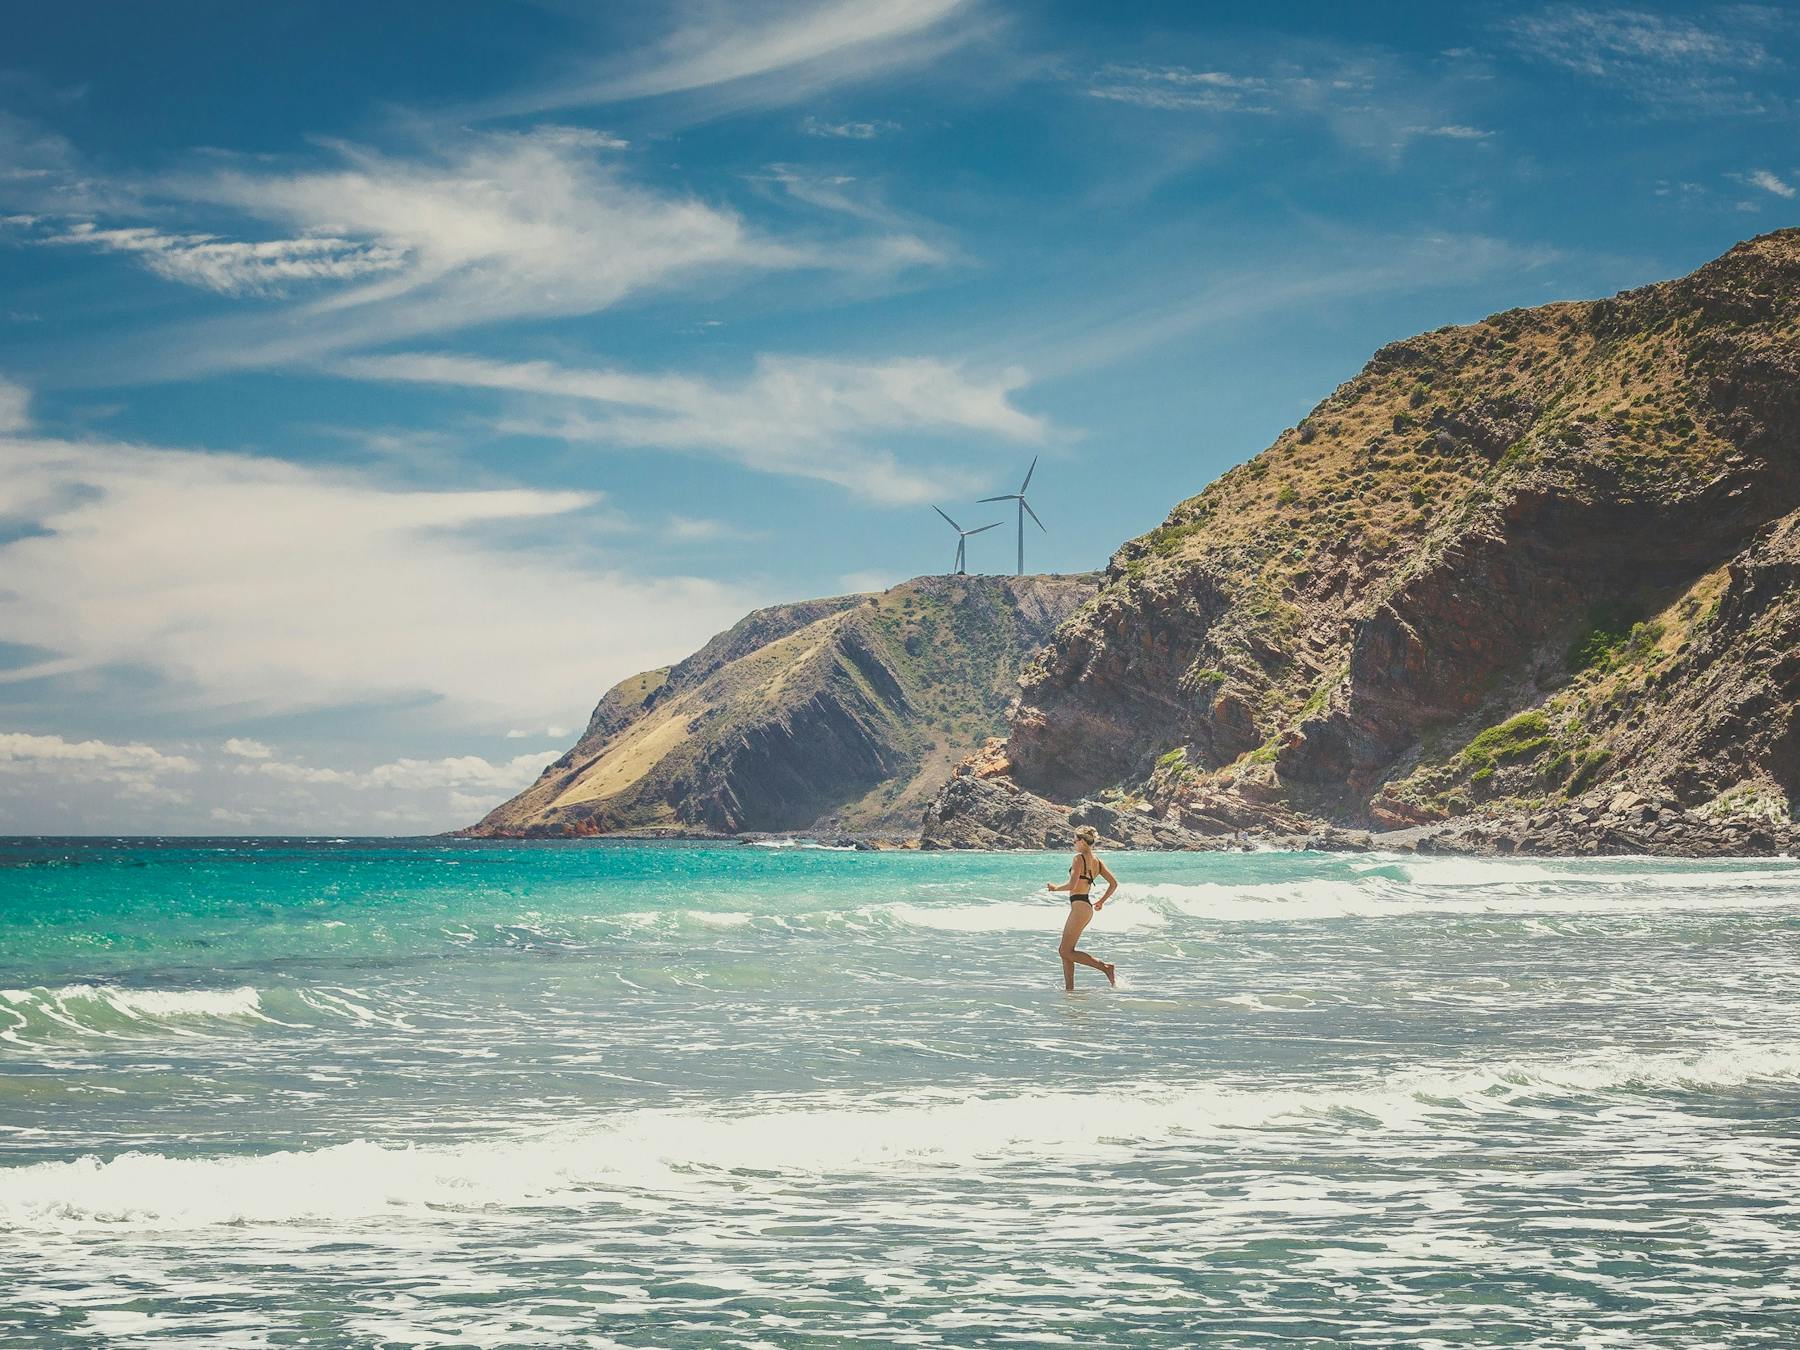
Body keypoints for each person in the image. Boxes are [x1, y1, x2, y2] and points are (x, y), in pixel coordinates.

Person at [1045, 825, 1118, 990]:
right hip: (1085, 907)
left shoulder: (1079, 858)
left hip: (1079, 907)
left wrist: (1055, 888)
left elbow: (1072, 884)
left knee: (1064, 951)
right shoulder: (1097, 861)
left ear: (1084, 842)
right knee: (1067, 951)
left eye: (1075, 840)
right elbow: (1113, 884)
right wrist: (1101, 901)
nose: (1073, 843)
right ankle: (1069, 989)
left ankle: (1105, 968)